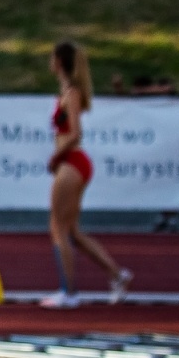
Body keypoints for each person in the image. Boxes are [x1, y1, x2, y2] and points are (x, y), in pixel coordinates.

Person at [40, 41, 132, 309]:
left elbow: (75, 133)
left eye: (52, 58)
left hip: (71, 162)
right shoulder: (68, 92)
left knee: (58, 228)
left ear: (59, 62)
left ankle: (69, 292)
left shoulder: (71, 93)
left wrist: (56, 156)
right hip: (72, 163)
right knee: (72, 231)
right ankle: (117, 275)